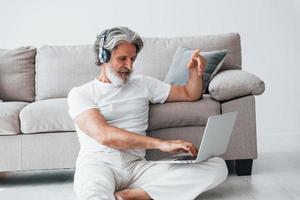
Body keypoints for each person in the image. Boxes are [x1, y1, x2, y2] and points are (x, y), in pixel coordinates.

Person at [68, 27, 228, 200]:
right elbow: (104, 135)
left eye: (132, 59)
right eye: (122, 59)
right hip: (98, 165)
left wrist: (194, 73)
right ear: (103, 57)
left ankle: (136, 196)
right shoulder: (81, 93)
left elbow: (190, 94)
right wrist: (161, 144)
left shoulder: (144, 84)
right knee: (94, 195)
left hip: (137, 168)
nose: (129, 66)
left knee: (217, 166)